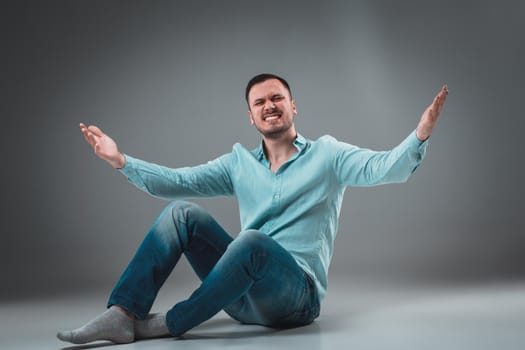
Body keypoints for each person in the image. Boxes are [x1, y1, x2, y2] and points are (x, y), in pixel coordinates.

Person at [57, 73, 448, 344]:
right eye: (259, 102)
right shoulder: (238, 163)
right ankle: (123, 314)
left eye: (277, 98)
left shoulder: (328, 155)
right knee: (182, 213)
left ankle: (168, 324)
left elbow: (384, 168)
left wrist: (420, 135)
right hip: (240, 297)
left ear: (293, 106)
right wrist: (121, 160)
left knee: (252, 242)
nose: (270, 106)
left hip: (295, 298)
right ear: (251, 115)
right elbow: (180, 180)